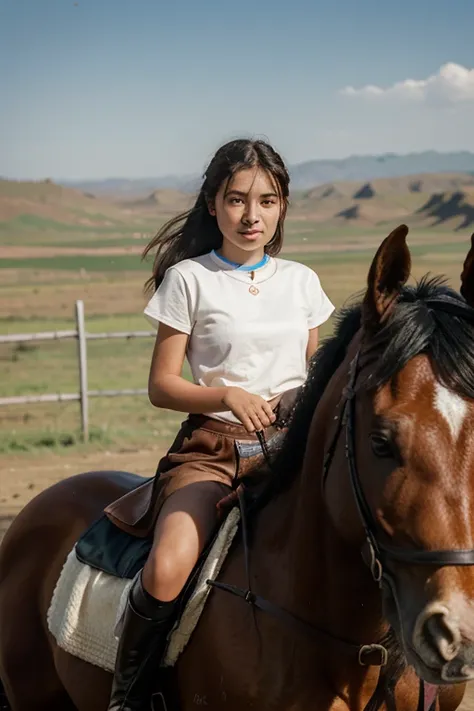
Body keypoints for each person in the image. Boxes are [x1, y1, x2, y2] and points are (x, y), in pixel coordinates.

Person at [106, 138, 335, 710]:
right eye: (236, 200)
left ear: (283, 207)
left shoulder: (302, 282)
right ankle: (130, 698)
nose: (251, 215)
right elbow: (162, 385)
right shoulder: (189, 279)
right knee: (166, 567)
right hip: (213, 450)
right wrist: (227, 393)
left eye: (268, 200)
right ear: (213, 203)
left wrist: (294, 395)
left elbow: (312, 373)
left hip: (292, 449)